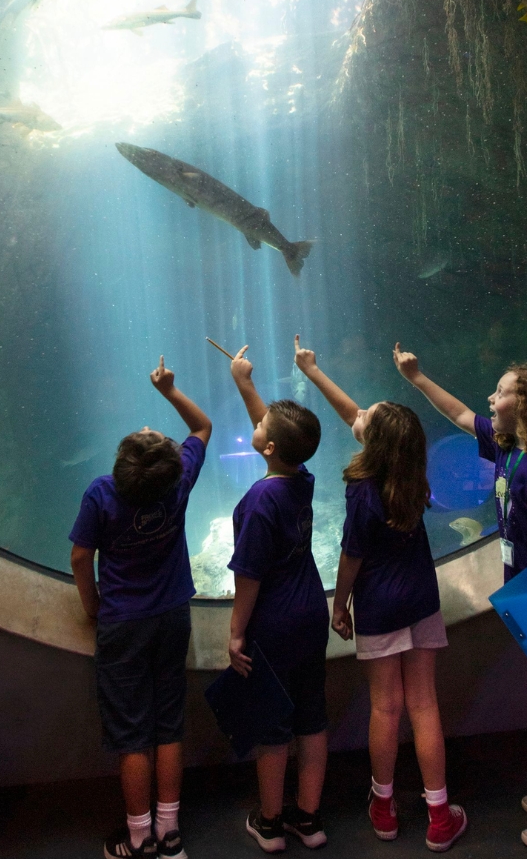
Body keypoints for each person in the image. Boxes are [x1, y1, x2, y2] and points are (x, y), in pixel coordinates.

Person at [396, 346, 527, 859]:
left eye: (501, 391)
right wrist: (417, 377)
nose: (491, 399)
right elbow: (457, 413)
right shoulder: (508, 447)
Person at [294, 336, 468, 852]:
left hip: (380, 606)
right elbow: (355, 413)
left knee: (386, 709)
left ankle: (384, 806)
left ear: (373, 443)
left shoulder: (363, 489)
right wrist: (313, 371)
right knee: (424, 706)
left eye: (370, 415)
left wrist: (340, 604)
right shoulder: (410, 477)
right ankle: (439, 814)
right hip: (421, 600)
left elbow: (352, 556)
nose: (362, 412)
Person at [69, 356, 212, 859]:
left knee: (132, 733)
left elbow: (81, 556)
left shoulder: (103, 493)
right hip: (172, 616)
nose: (150, 429)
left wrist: (92, 605)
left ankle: (138, 837)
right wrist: (169, 391)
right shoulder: (178, 483)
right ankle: (170, 832)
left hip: (123, 623)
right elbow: (201, 427)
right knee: (168, 723)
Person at [226, 344, 330, 853]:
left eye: (264, 424)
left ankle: (269, 825)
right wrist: (245, 384)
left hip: (273, 623)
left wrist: (235, 633)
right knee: (311, 720)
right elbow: (276, 437)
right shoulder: (301, 479)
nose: (259, 420)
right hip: (311, 614)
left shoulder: (260, 500)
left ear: (268, 448)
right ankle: (307, 820)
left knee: (273, 727)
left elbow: (249, 577)